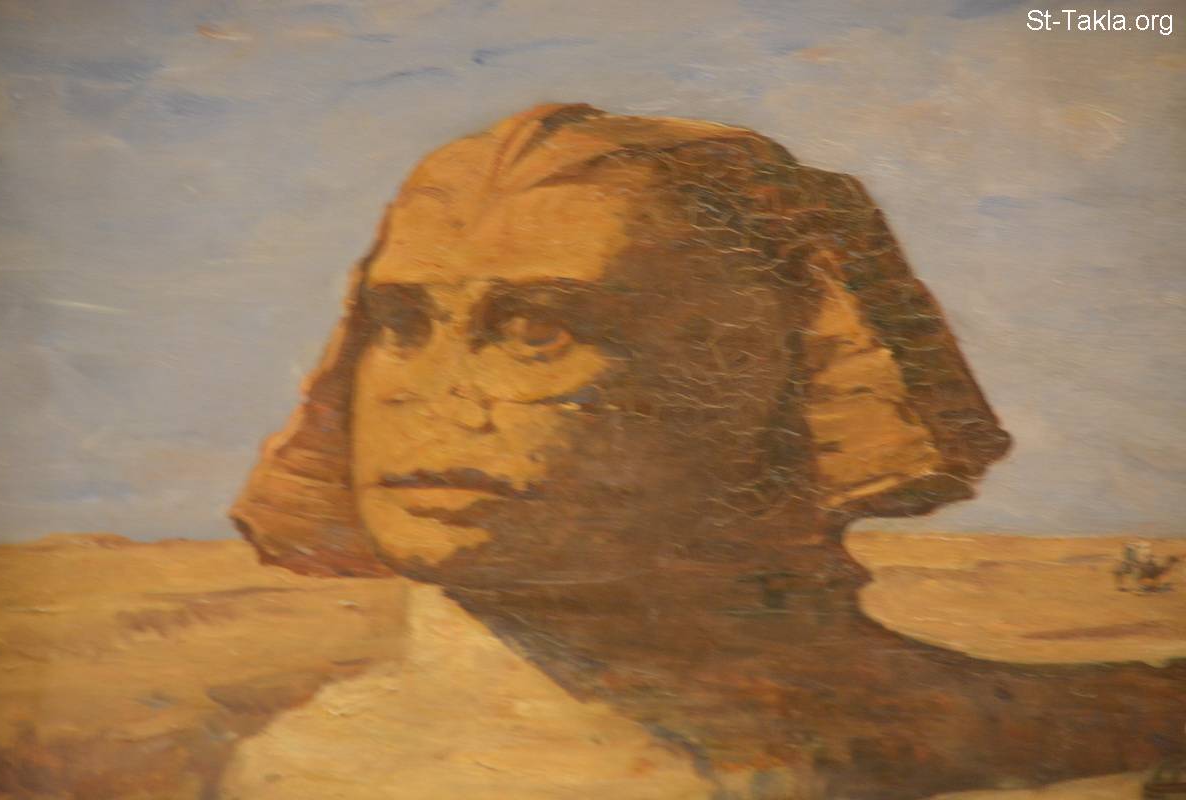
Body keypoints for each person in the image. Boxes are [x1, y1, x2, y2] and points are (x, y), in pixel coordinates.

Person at [231, 104, 1184, 799]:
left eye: (537, 328)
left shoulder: (1063, 754)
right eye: (400, 322)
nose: (435, 396)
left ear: (756, 372)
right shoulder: (299, 767)